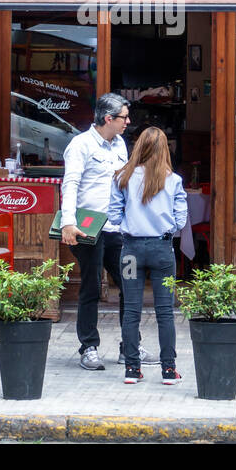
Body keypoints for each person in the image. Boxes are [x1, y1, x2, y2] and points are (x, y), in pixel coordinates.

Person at [60, 92, 156, 370]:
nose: (128, 122)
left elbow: (122, 185)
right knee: (91, 287)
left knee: (130, 283)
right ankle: (88, 347)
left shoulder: (120, 146)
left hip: (116, 228)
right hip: (87, 226)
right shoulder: (80, 145)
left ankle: (130, 347)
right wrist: (68, 222)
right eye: (124, 117)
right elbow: (71, 184)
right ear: (108, 118)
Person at [107, 126, 187, 386]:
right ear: (165, 149)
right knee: (165, 312)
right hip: (162, 250)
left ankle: (131, 369)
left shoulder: (122, 177)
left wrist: (132, 221)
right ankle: (168, 370)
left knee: (131, 310)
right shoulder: (173, 180)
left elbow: (114, 215)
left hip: (131, 250)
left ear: (138, 147)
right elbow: (181, 220)